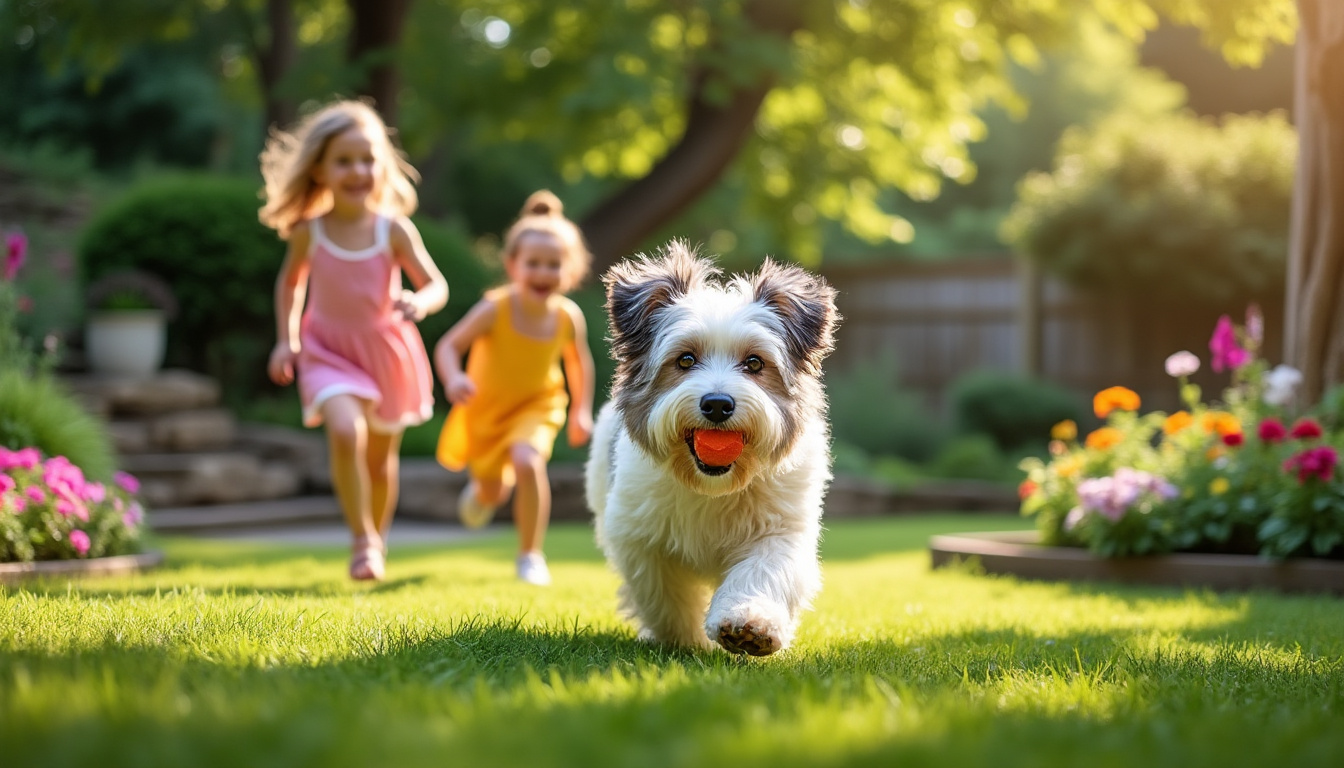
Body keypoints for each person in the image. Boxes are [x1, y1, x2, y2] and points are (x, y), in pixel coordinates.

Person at [260, 100, 448, 581]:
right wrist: (286, 340)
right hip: (326, 351)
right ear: (319, 168)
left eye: (368, 159)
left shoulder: (393, 230)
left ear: (381, 167)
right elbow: (289, 285)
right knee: (346, 431)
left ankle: (376, 543)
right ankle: (362, 538)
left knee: (381, 462)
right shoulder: (310, 232)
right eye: (344, 160)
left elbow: (435, 285)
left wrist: (419, 302)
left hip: (386, 353)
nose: (358, 170)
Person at [434, 190, 595, 586]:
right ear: (512, 265)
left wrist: (580, 410)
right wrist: (454, 377)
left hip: (538, 405)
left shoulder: (567, 316)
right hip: (487, 410)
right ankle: (484, 492)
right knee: (493, 492)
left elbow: (579, 363)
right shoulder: (495, 308)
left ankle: (530, 555)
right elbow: (448, 346)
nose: (543, 273)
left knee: (528, 461)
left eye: (554, 265)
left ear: (570, 271)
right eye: (534, 264)